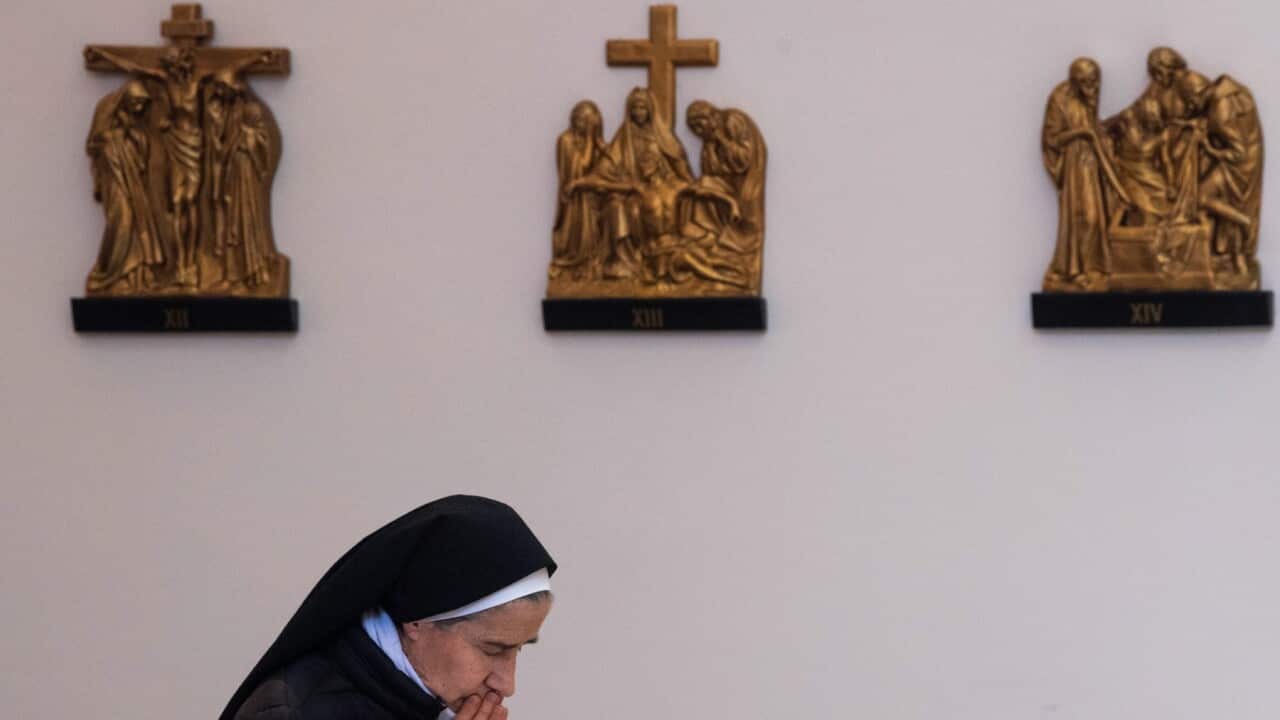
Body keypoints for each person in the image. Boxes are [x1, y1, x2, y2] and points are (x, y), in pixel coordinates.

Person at [222, 495, 557, 720]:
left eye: (518, 649)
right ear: (417, 621)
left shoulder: (437, 702)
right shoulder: (291, 711)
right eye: (493, 649)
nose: (507, 684)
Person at [1041, 58, 1130, 291]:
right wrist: (1080, 133)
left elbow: (1094, 127)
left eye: (1095, 81)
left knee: (1097, 218)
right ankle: (1074, 270)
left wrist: (1105, 131)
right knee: (1084, 216)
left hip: (1092, 165)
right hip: (1074, 169)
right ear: (1075, 82)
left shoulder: (1088, 97)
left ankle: (1095, 268)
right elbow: (1052, 139)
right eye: (1086, 83)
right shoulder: (1060, 100)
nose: (1093, 88)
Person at [85, 80, 164, 294]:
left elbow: (142, 157)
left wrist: (132, 135)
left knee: (139, 223)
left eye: (142, 104)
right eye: (135, 102)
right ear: (125, 101)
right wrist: (112, 139)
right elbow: (93, 146)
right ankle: (110, 273)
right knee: (123, 220)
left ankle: (135, 276)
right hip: (115, 180)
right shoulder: (107, 115)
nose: (138, 108)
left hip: (135, 183)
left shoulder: (137, 128)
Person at [550, 101, 607, 279]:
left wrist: (602, 146)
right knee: (579, 233)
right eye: (582, 121)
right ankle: (576, 263)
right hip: (574, 199)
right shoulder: (566, 140)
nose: (584, 125)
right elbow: (582, 166)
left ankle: (591, 263)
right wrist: (591, 139)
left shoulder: (593, 141)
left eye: (589, 123)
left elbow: (609, 168)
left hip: (591, 197)